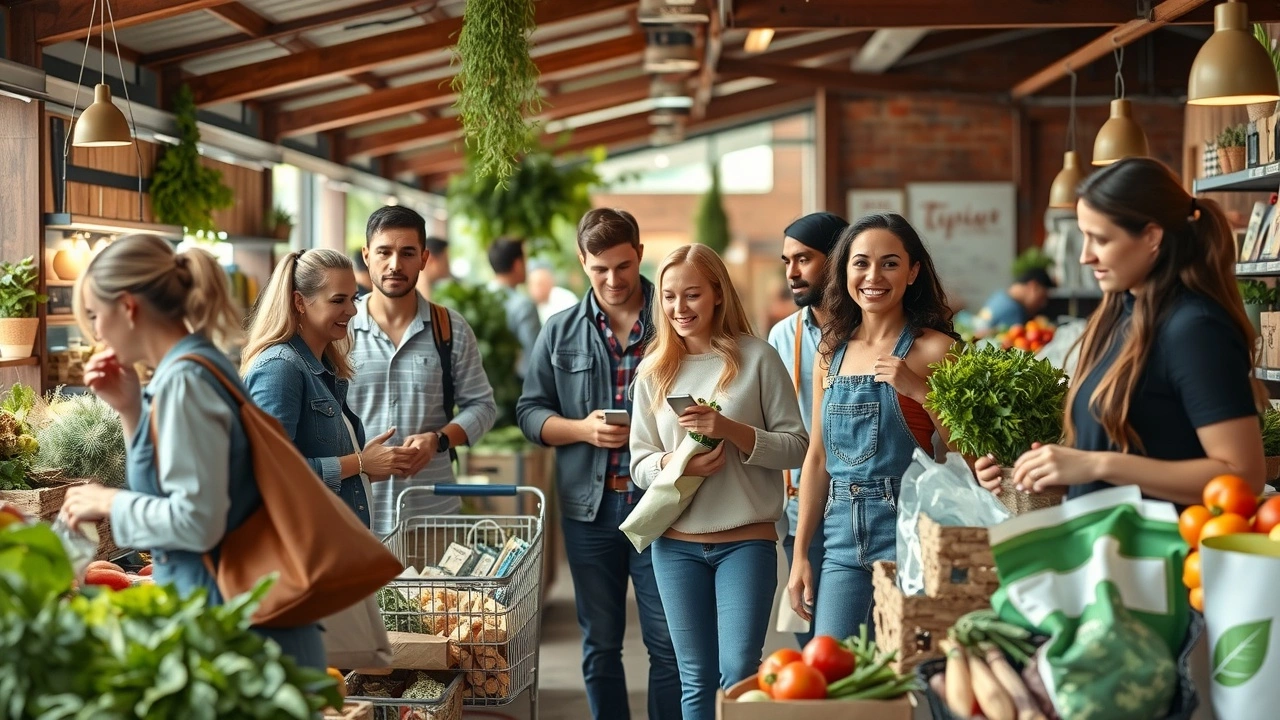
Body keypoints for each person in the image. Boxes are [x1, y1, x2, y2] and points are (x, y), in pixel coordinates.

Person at [57, 234, 325, 668]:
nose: (96, 332)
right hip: (234, 624)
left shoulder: (184, 382)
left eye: (95, 315)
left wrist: (108, 500)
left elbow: (196, 521)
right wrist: (129, 410)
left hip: (233, 635)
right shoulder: (195, 365)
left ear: (127, 307)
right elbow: (175, 485)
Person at [975, 158, 1267, 505]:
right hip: (1112, 550)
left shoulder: (1195, 329)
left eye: (1099, 239)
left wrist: (1096, 465)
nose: (1085, 256)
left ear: (1151, 237)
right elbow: (1139, 461)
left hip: (1166, 553)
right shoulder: (1119, 314)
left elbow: (1244, 475)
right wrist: (1051, 475)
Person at [630, 244, 808, 720]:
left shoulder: (758, 358)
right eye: (669, 297)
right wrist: (675, 464)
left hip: (745, 543)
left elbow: (797, 446)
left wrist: (731, 430)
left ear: (716, 295)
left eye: (691, 295)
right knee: (694, 678)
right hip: (674, 544)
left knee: (739, 673)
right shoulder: (652, 370)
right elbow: (639, 463)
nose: (679, 308)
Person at [516, 209, 680, 720]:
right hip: (590, 511)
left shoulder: (676, 318)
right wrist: (581, 429)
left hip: (664, 507)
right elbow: (528, 411)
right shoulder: (560, 330)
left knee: (667, 645)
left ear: (639, 254)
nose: (613, 280)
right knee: (601, 644)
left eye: (623, 266)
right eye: (600, 269)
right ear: (582, 262)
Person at [788, 213, 959, 642]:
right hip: (840, 539)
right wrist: (800, 556)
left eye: (890, 263)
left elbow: (967, 454)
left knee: (913, 674)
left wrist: (919, 391)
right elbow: (818, 457)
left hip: (912, 535)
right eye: (861, 262)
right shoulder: (831, 350)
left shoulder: (937, 350)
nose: (873, 276)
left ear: (913, 271)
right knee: (834, 673)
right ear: (844, 269)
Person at [348, 206, 498, 538]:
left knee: (432, 594)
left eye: (407, 253)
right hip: (353, 518)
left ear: (424, 258)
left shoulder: (450, 329)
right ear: (366, 255)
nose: (395, 265)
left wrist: (438, 439)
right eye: (384, 252)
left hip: (432, 517)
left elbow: (483, 407)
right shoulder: (339, 330)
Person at [241, 249, 415, 530]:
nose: (353, 310)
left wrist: (366, 465)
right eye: (338, 300)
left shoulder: (323, 368)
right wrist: (359, 463)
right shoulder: (280, 368)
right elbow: (269, 471)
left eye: (353, 298)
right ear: (300, 302)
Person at [766, 211, 847, 648]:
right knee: (818, 648)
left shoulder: (874, 330)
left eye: (803, 259)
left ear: (837, 258)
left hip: (878, 510)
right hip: (804, 515)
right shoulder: (783, 337)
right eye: (786, 261)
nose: (791, 273)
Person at [487, 237, 542, 378]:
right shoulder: (523, 306)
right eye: (525, 261)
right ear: (517, 264)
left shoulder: (481, 299)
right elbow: (533, 358)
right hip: (516, 389)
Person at [976, 266, 1055, 331]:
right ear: (1033, 287)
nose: (1043, 304)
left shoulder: (1000, 295)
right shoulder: (1014, 310)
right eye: (1042, 298)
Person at [527, 259, 579, 324]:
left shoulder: (566, 299)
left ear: (551, 281)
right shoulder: (526, 307)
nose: (537, 289)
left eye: (541, 283)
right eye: (533, 284)